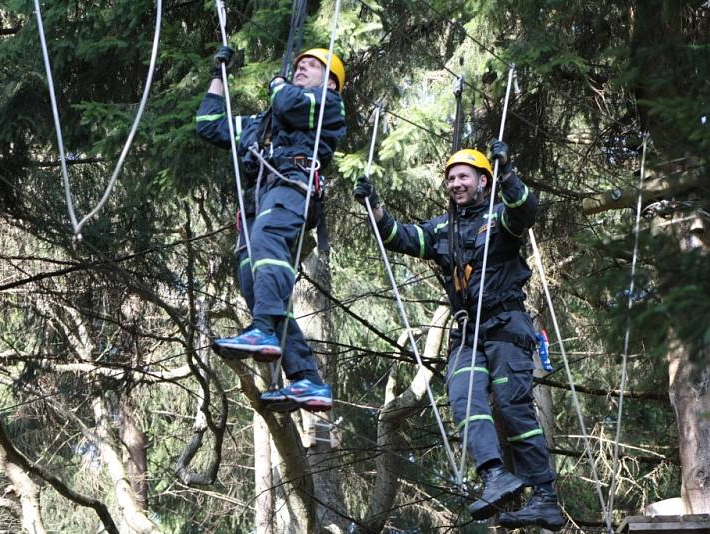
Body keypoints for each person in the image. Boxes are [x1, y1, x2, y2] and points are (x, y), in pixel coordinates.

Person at [353, 142, 566, 529]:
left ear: (483, 181)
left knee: (512, 403)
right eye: (450, 178)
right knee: (464, 399)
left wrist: (509, 173)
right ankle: (494, 475)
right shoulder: (441, 229)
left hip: (504, 326)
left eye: (463, 176)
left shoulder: (500, 216)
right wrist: (376, 207)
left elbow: (527, 211)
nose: (455, 183)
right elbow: (400, 237)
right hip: (468, 333)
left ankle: (545, 496)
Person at [196, 46, 346, 412]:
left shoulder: (326, 104)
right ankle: (306, 380)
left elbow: (290, 103)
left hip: (291, 185)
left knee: (268, 241)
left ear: (329, 82)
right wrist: (219, 74)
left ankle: (263, 328)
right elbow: (209, 124)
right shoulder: (263, 123)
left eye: (310, 67)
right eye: (298, 67)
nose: (300, 70)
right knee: (250, 280)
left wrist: (279, 84)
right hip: (258, 201)